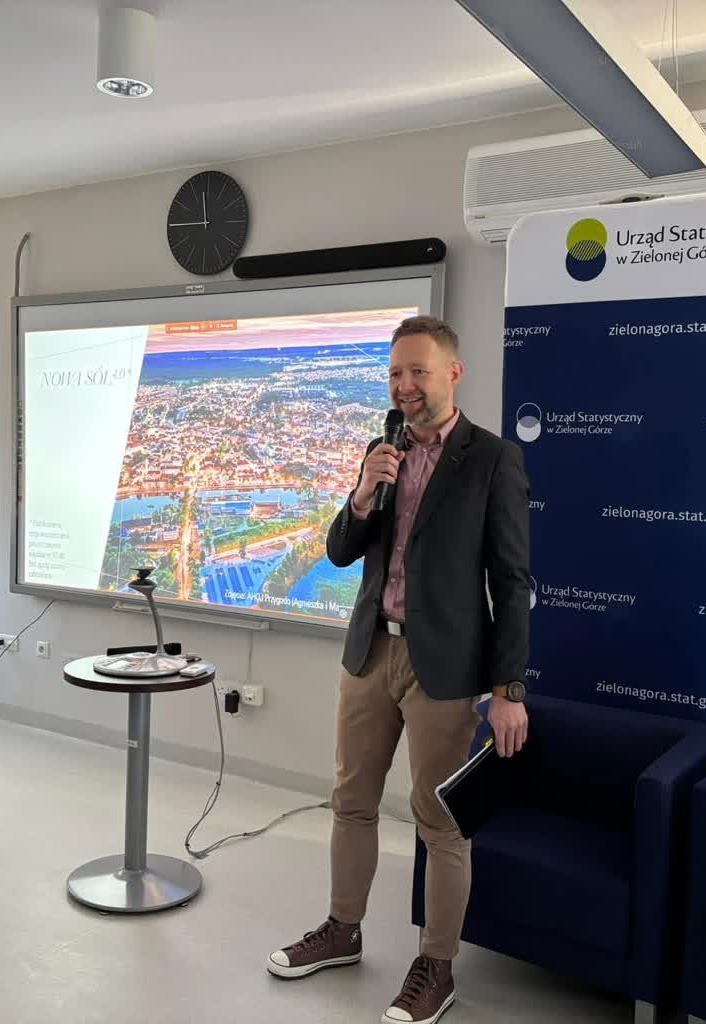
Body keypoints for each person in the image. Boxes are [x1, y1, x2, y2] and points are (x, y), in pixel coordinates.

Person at [267, 316, 531, 1024]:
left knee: (440, 823)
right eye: (394, 373)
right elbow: (340, 551)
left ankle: (435, 967)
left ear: (453, 373)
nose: (404, 385)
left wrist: (508, 689)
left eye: (418, 371)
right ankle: (342, 929)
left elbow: (511, 582)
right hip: (369, 654)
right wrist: (361, 496)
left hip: (443, 667)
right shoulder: (380, 449)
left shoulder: (492, 460)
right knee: (350, 802)